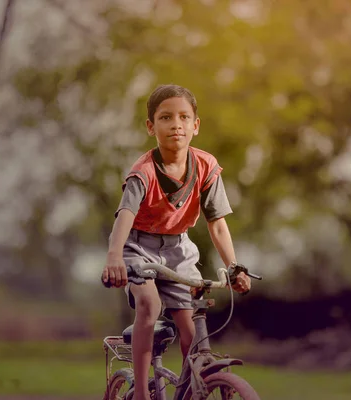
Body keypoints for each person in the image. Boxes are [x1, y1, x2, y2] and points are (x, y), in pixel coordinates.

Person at [101, 84, 251, 400]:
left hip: (179, 249)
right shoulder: (143, 172)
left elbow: (218, 224)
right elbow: (125, 215)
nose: (176, 124)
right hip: (138, 247)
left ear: (196, 126)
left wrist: (233, 266)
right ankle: (141, 392)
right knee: (150, 304)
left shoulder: (207, 166)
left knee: (192, 328)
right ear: (151, 126)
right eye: (166, 117)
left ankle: (190, 390)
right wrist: (115, 255)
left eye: (184, 117)